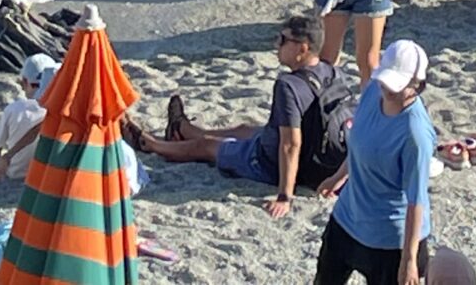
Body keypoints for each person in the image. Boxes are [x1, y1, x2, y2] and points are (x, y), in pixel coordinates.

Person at [122, 11, 349, 218]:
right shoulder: (332, 71)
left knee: (207, 146)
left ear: (303, 48)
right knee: (244, 129)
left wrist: (284, 196)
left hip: (270, 162)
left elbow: (291, 145)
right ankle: (184, 130)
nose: (276, 44)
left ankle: (151, 145)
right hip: (323, 156)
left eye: (283, 40)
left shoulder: (288, 85)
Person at [314, 39, 436, 285]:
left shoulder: (416, 134)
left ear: (418, 84)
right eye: (386, 79)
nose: (389, 89)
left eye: (397, 84)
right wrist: (338, 177)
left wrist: (409, 260)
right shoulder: (373, 90)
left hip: (390, 241)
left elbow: (416, 200)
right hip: (348, 218)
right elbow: (362, 143)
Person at [0, 53, 58, 181]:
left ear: (24, 82)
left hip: (16, 174)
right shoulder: (59, 109)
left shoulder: (14, 109)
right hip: (47, 176)